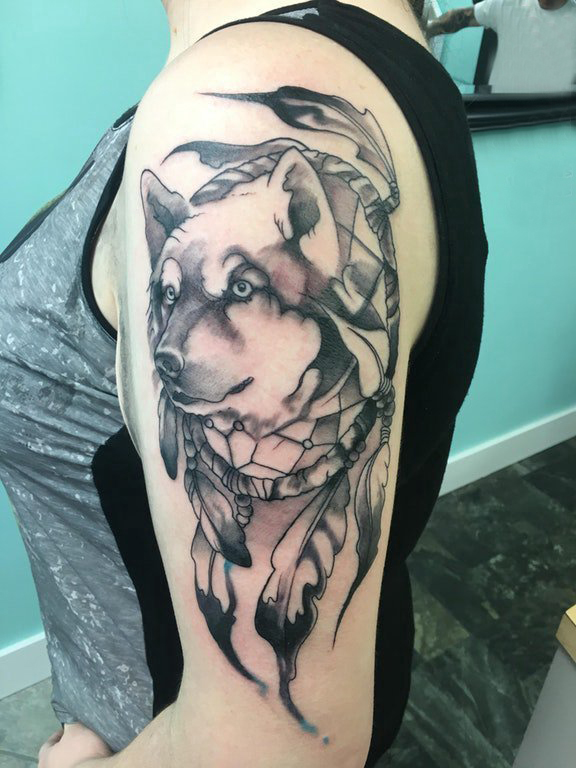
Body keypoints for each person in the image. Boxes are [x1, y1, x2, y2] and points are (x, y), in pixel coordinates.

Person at [0, 1, 487, 766]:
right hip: (341, 652)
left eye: (236, 290)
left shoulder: (242, 97)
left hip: (160, 726)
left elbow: (270, 750)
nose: (177, 346)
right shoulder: (389, 52)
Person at [427, 0, 576, 93]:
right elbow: (460, 18)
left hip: (548, 115)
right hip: (497, 106)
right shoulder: (510, 5)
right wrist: (427, 30)